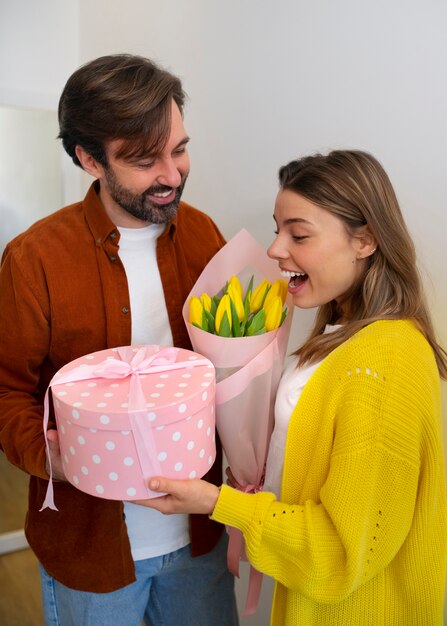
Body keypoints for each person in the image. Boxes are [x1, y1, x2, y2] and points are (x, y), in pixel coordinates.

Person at [136, 150, 447, 625]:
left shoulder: (385, 361)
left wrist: (218, 503)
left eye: (298, 234)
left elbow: (339, 550)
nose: (276, 249)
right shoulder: (346, 333)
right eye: (278, 229)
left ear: (365, 240)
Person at [0, 54, 238, 626]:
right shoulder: (35, 259)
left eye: (179, 149)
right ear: (88, 159)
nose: (172, 174)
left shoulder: (204, 234)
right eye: (143, 159)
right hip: (90, 548)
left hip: (199, 540)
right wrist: (54, 456)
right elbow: (7, 391)